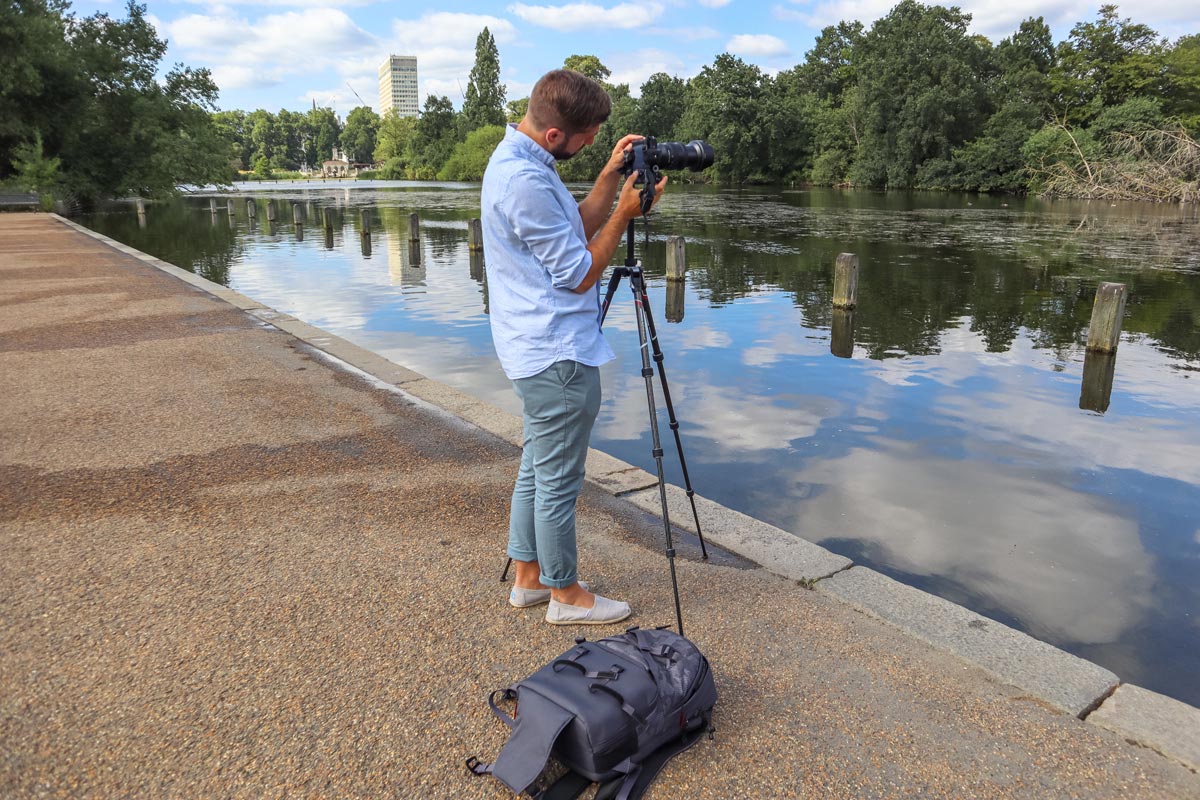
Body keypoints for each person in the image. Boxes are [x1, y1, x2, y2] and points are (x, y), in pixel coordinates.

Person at [480, 69, 667, 625]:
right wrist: (627, 216)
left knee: (538, 465)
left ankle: (529, 581)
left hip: (532, 344)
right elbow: (579, 271)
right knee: (559, 478)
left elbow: (572, 227)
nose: (590, 145)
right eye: (586, 138)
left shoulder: (520, 162)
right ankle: (566, 596)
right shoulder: (527, 182)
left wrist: (610, 179)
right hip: (555, 350)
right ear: (555, 135)